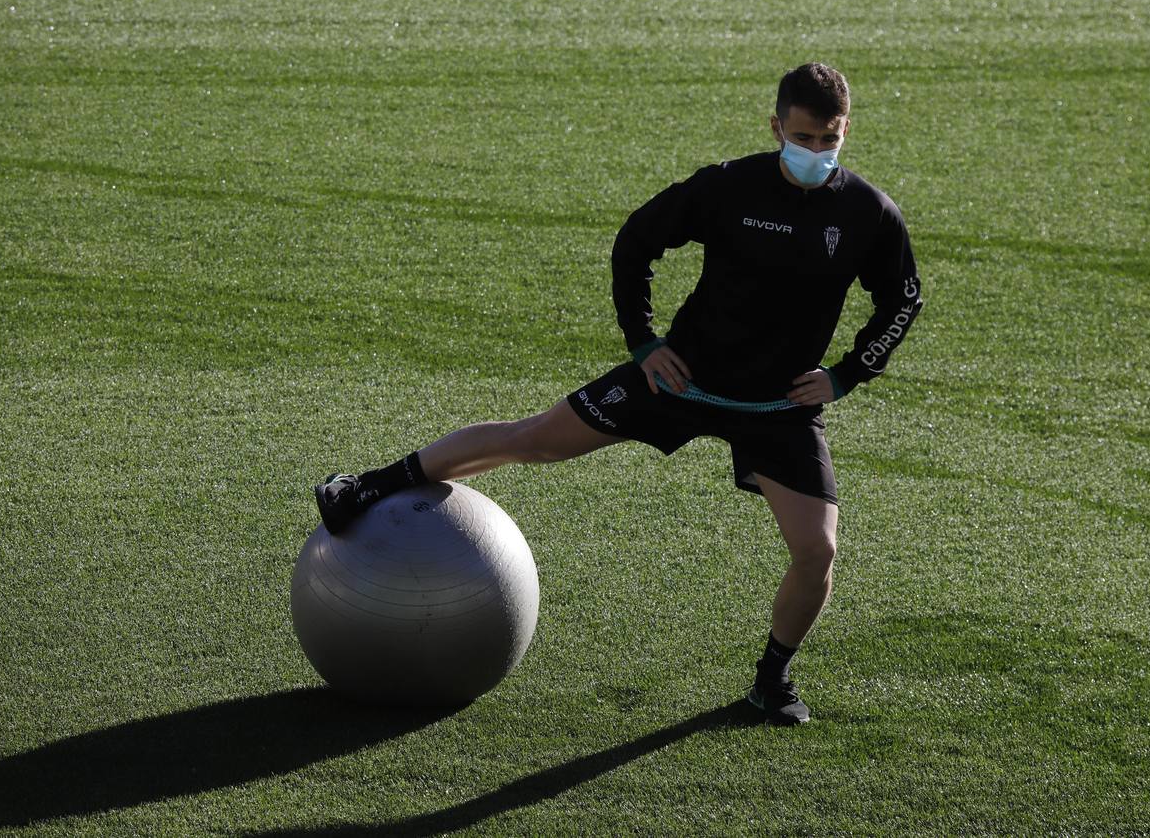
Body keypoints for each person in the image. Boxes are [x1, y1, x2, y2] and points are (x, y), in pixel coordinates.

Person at [315, 63, 922, 726]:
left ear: (845, 130)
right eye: (803, 137)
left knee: (818, 551)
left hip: (778, 410)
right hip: (680, 379)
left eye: (829, 140)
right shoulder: (726, 187)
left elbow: (903, 298)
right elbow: (635, 242)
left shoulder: (868, 213)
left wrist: (845, 374)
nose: (815, 152)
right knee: (532, 441)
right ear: (775, 126)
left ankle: (772, 680)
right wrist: (643, 342)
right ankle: (368, 486)